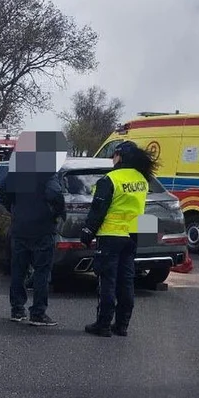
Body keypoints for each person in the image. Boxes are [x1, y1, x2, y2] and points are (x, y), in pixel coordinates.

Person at [80, 140, 157, 337]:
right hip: (134, 236)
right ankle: (122, 325)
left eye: (114, 154)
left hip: (111, 235)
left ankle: (103, 325)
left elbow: (98, 209)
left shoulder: (110, 179)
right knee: (127, 281)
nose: (112, 158)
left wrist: (88, 232)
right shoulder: (143, 179)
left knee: (108, 281)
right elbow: (143, 209)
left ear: (121, 156)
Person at [0, 129, 68, 327]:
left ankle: (17, 310)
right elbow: (54, 194)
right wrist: (58, 212)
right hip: (42, 229)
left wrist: (13, 207)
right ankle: (38, 313)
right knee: (42, 272)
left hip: (19, 228)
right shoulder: (48, 171)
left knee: (18, 270)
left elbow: (0, 190)